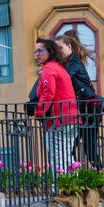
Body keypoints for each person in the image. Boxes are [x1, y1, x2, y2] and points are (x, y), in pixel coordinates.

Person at [33, 38, 79, 180]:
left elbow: (48, 93)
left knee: (58, 159)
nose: (37, 54)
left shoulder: (49, 69)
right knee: (66, 157)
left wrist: (39, 113)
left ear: (50, 52)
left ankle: (59, 190)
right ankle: (75, 185)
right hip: (70, 119)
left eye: (41, 50)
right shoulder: (59, 67)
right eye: (36, 51)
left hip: (58, 121)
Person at [57, 30, 104, 169]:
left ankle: (99, 176)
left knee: (87, 148)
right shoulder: (69, 61)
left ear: (69, 46)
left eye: (60, 47)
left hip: (89, 110)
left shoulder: (74, 62)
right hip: (82, 110)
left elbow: (64, 77)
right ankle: (77, 175)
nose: (58, 51)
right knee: (71, 147)